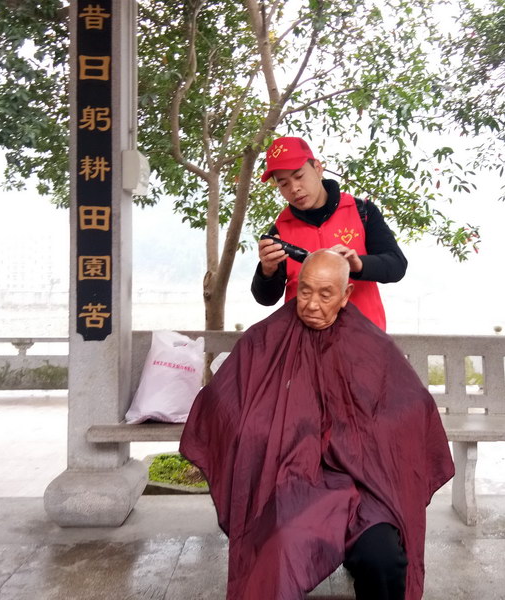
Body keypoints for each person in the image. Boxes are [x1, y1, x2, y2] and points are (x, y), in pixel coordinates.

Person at [181, 250, 454, 600]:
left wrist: (365, 439)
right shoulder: (265, 339)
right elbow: (223, 402)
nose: (311, 304)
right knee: (278, 549)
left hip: (365, 485)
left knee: (384, 558)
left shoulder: (371, 343)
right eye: (305, 291)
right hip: (290, 482)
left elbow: (412, 406)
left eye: (325, 294)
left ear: (346, 295)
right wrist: (264, 433)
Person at [251, 136, 407, 331]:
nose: (294, 188)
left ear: (317, 168)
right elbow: (266, 299)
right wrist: (267, 270)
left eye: (299, 176)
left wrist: (358, 265)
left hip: (362, 337)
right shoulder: (281, 229)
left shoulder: (362, 211)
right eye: (283, 184)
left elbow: (397, 266)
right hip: (304, 341)